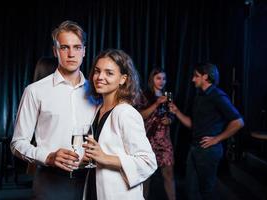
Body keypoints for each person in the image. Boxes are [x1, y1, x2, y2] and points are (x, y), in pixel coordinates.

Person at [10, 20, 97, 200]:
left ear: (84, 51)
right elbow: (17, 143)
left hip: (93, 182)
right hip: (51, 182)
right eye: (64, 47)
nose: (71, 54)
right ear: (55, 51)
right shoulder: (35, 91)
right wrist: (48, 157)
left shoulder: (97, 93)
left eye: (77, 47)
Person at [83, 49, 157, 199]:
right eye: (97, 71)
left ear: (123, 79)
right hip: (94, 190)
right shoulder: (97, 109)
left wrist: (105, 158)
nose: (100, 77)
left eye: (109, 73)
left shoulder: (126, 113)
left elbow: (148, 162)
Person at [169, 63, 244, 200]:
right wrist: (177, 112)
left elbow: (238, 122)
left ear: (206, 77)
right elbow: (193, 124)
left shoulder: (217, 96)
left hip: (208, 151)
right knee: (191, 190)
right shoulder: (199, 96)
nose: (193, 79)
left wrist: (217, 139)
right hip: (195, 148)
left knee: (207, 191)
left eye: (196, 76)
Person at [137, 68, 176, 200]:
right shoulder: (144, 95)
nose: (161, 81)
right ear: (152, 79)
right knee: (146, 176)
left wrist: (170, 119)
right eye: (158, 78)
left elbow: (172, 114)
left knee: (169, 175)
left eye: (164, 78)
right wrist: (157, 103)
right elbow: (140, 116)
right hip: (148, 141)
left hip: (164, 141)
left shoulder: (168, 95)